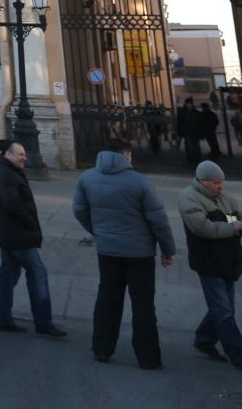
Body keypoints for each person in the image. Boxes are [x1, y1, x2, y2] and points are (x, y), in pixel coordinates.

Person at [72, 136, 176, 370]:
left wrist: (98, 231)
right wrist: (167, 249)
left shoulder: (87, 178)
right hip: (139, 254)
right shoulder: (140, 182)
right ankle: (148, 358)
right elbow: (158, 220)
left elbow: (79, 210)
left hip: (107, 250)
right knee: (143, 305)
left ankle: (102, 349)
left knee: (108, 298)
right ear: (127, 155)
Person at [179, 160, 242, 374]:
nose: (221, 186)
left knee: (224, 308)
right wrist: (233, 228)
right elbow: (201, 227)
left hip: (229, 261)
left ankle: (204, 339)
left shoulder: (225, 198)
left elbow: (238, 215)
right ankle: (238, 355)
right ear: (203, 181)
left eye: (222, 182)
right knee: (224, 311)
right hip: (208, 262)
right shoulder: (189, 198)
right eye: (216, 183)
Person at [0, 137, 66, 337]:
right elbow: (12, 205)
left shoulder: (9, 171)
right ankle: (43, 322)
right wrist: (30, 223)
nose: (25, 158)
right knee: (37, 273)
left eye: (24, 154)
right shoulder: (6, 174)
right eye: (20, 154)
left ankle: (3, 319)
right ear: (8, 154)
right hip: (17, 234)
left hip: (8, 233)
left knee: (7, 275)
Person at [177, 97, 201, 166]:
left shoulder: (196, 113)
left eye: (190, 104)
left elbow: (200, 123)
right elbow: (179, 123)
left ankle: (194, 159)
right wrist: (180, 133)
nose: (189, 105)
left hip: (195, 132)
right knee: (191, 147)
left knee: (195, 147)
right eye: (188, 104)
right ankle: (192, 160)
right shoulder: (183, 113)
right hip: (188, 132)